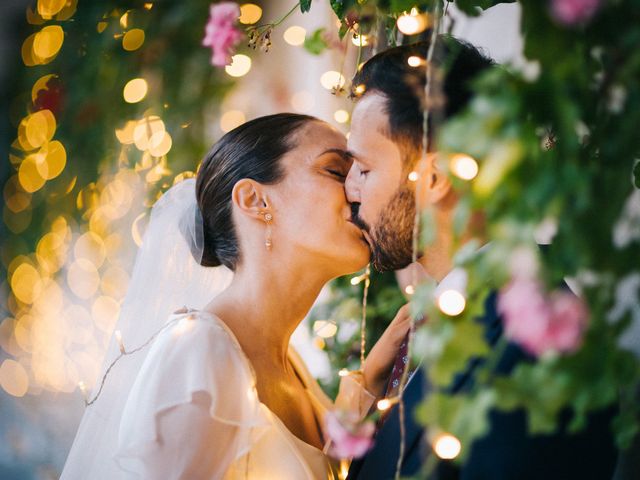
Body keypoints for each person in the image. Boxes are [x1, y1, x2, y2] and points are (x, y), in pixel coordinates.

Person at [61, 113, 411, 479]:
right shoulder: (197, 354)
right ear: (255, 200)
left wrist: (370, 380)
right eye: (337, 172)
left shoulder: (290, 365)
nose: (357, 190)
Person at [344, 38, 620, 479]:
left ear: (434, 178)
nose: (351, 192)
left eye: (364, 169)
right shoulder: (441, 322)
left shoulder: (529, 358)